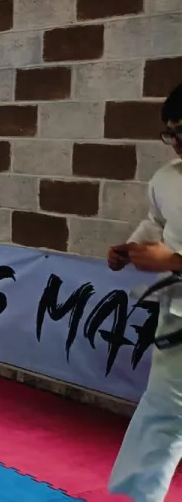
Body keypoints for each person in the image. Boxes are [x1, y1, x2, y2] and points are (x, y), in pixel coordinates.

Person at [107, 82, 182, 502]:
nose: (176, 143)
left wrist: (172, 261)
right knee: (163, 413)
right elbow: (157, 222)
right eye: (170, 133)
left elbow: (170, 254)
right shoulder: (168, 178)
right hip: (178, 312)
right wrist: (132, 248)